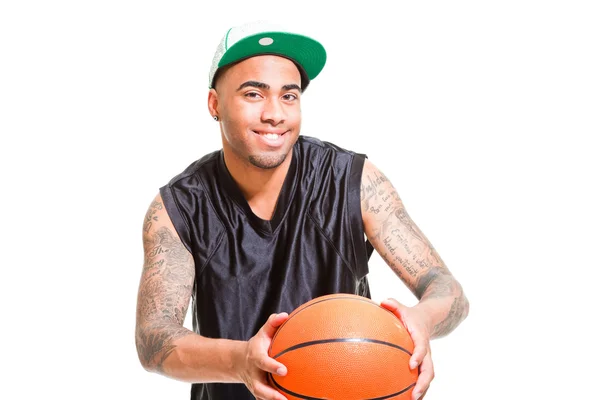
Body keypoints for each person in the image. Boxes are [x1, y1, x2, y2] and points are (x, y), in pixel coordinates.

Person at [135, 20, 469, 400]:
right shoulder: (179, 207)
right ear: (215, 104)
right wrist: (242, 361)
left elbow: (449, 290)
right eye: (253, 94)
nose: (275, 113)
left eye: (289, 96)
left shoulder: (351, 182)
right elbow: (153, 337)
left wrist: (420, 322)